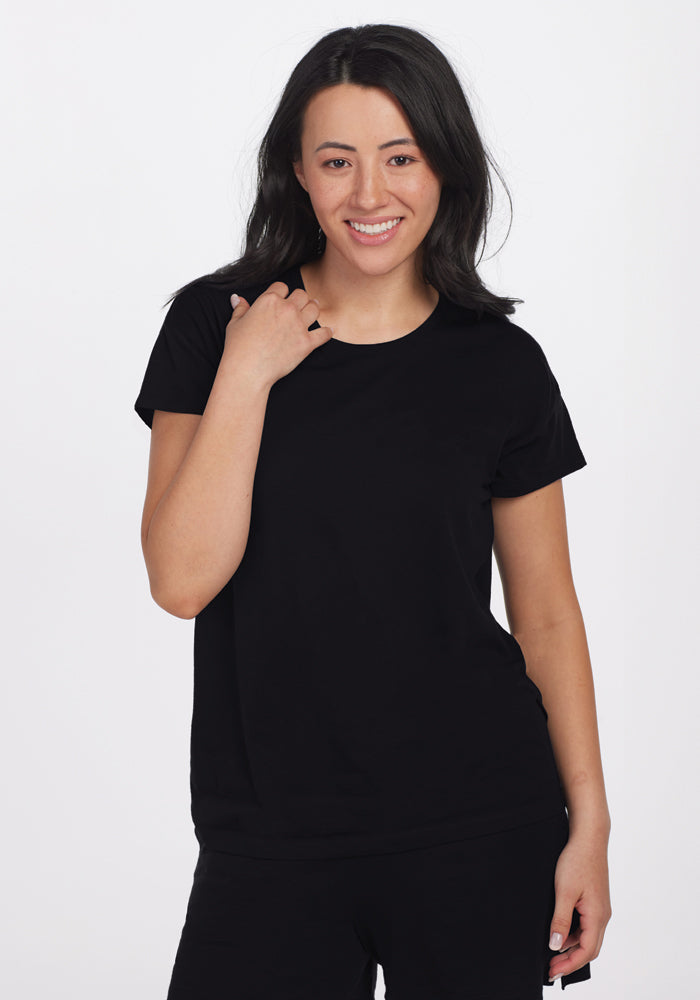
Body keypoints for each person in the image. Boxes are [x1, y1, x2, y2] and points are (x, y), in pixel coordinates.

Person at [134, 23, 611, 1000]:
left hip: (480, 823)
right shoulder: (212, 326)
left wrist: (590, 825)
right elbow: (182, 579)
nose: (369, 194)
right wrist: (249, 369)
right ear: (298, 174)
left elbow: (548, 616)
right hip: (269, 837)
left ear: (443, 164)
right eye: (337, 160)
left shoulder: (498, 364)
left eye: (400, 157)